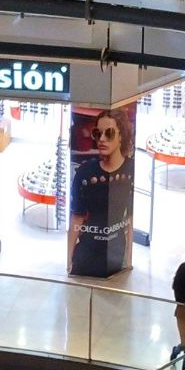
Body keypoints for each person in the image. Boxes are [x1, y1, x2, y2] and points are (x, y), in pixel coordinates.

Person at [68, 110, 135, 276]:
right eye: (97, 133)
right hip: (85, 255)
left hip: (115, 254)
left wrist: (128, 258)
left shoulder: (131, 169)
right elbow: (77, 217)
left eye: (109, 133)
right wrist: (68, 259)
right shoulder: (85, 171)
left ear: (121, 136)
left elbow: (130, 219)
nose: (102, 139)